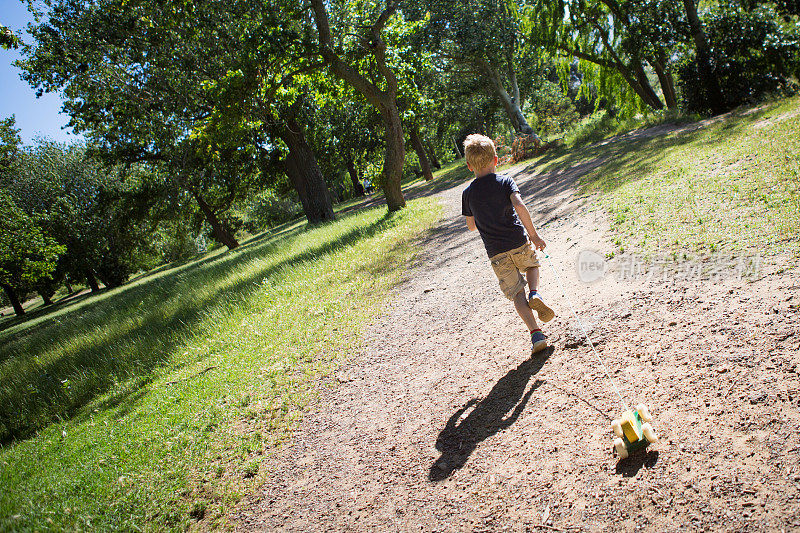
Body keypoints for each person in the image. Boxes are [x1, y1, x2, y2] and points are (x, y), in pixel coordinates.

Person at [461, 134, 555, 353]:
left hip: (496, 253)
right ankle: (535, 292)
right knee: (532, 266)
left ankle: (536, 334)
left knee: (515, 293)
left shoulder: (467, 193)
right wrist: (534, 235)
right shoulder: (505, 181)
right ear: (495, 160)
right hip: (518, 241)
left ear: (468, 166)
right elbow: (520, 206)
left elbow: (471, 226)